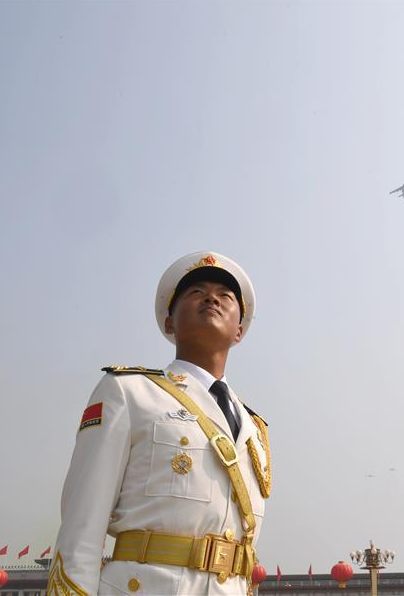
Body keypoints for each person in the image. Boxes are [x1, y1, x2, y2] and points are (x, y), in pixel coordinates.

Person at [48, 252, 271, 596]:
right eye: (196, 292)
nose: (212, 297)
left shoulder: (254, 429)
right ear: (169, 323)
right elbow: (81, 532)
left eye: (226, 296)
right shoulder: (128, 392)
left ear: (239, 330)